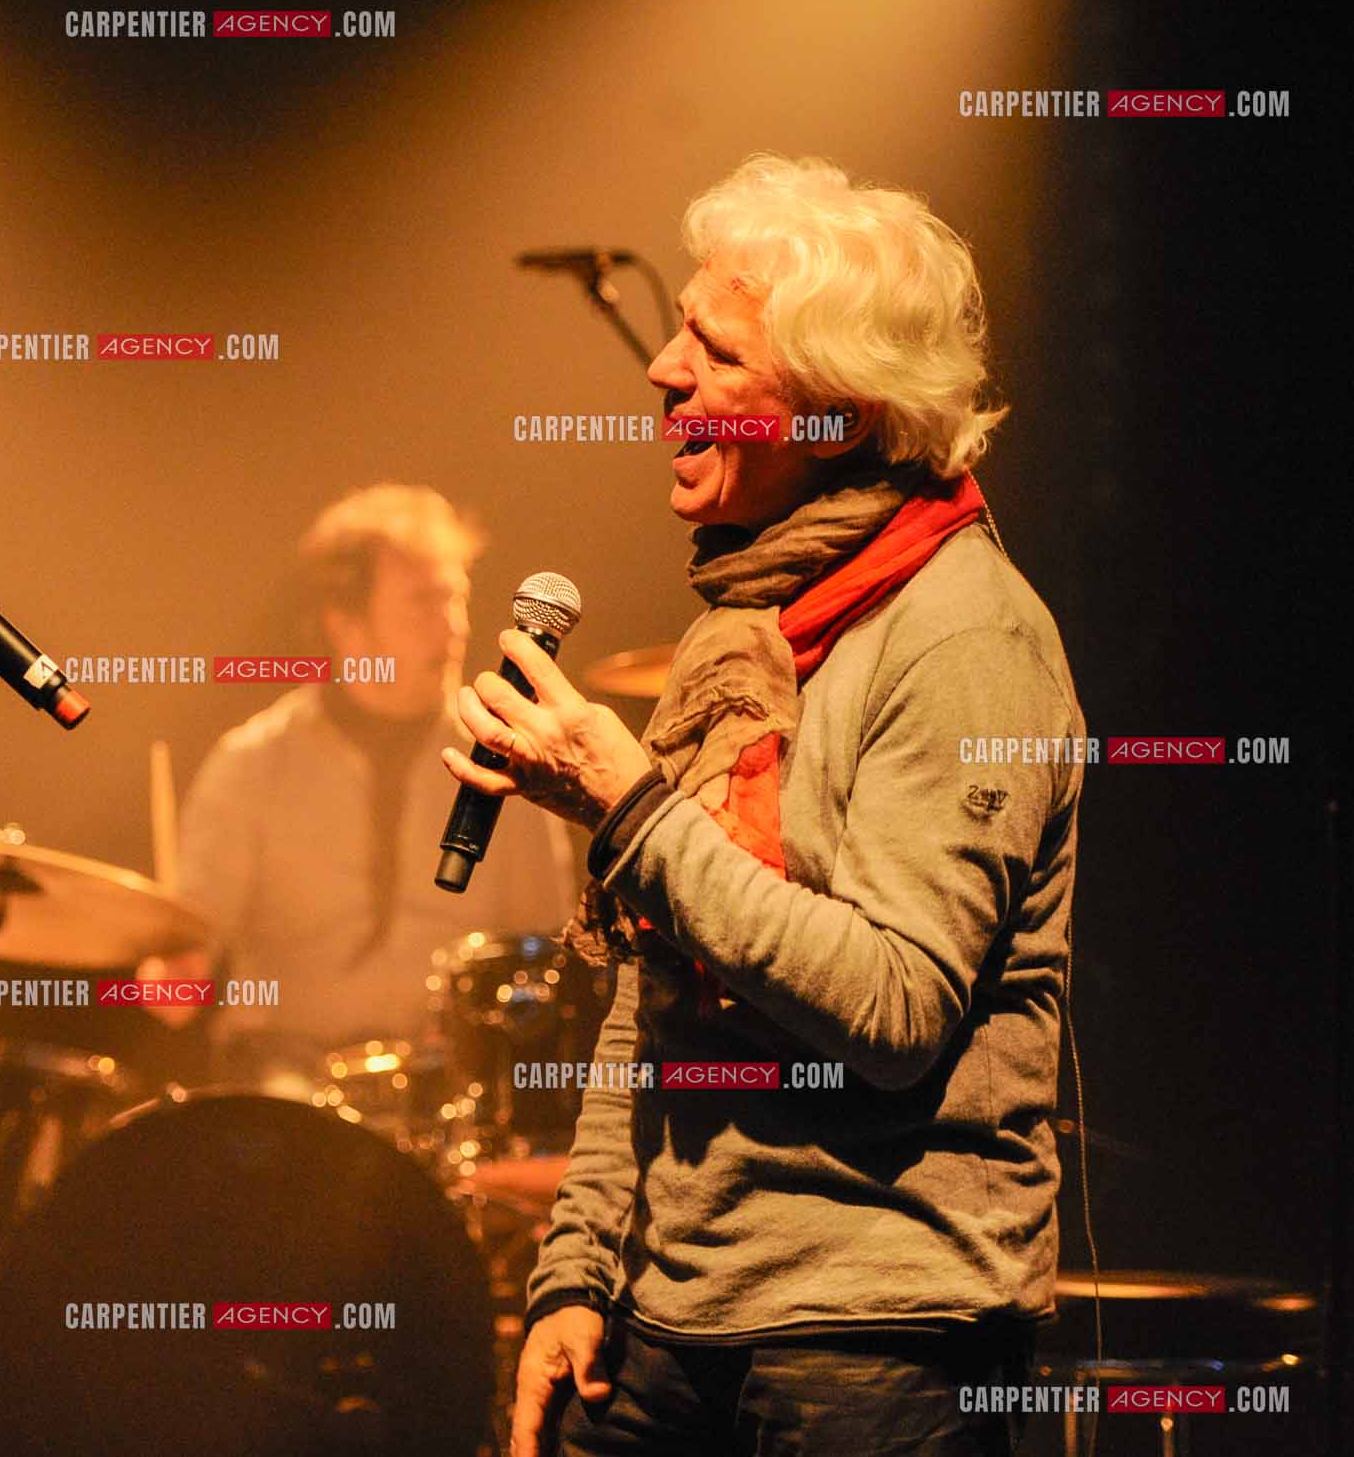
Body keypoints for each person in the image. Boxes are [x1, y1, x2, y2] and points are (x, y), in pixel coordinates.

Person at [447, 155, 1082, 1456]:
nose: (660, 371)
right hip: (668, 1309)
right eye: (679, 328)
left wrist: (626, 810)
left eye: (713, 349)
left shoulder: (961, 636)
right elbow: (654, 992)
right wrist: (575, 1266)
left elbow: (897, 1009)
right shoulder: (742, 631)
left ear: (833, 418)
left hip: (876, 1331)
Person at [179, 484, 575, 1074]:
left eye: (456, 599)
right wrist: (172, 975)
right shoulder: (250, 766)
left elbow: (548, 957)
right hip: (283, 1084)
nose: (453, 628)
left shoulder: (510, 767)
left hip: (448, 1094)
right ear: (346, 626)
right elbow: (186, 951)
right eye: (422, 603)